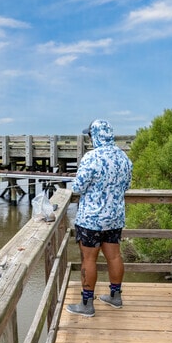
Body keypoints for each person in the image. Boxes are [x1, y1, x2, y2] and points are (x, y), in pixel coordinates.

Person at [66, 119, 133, 317]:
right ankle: (115, 296)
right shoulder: (123, 158)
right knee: (114, 256)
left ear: (94, 136)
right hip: (114, 217)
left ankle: (86, 304)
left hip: (91, 220)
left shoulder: (91, 157)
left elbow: (77, 187)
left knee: (88, 259)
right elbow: (126, 186)